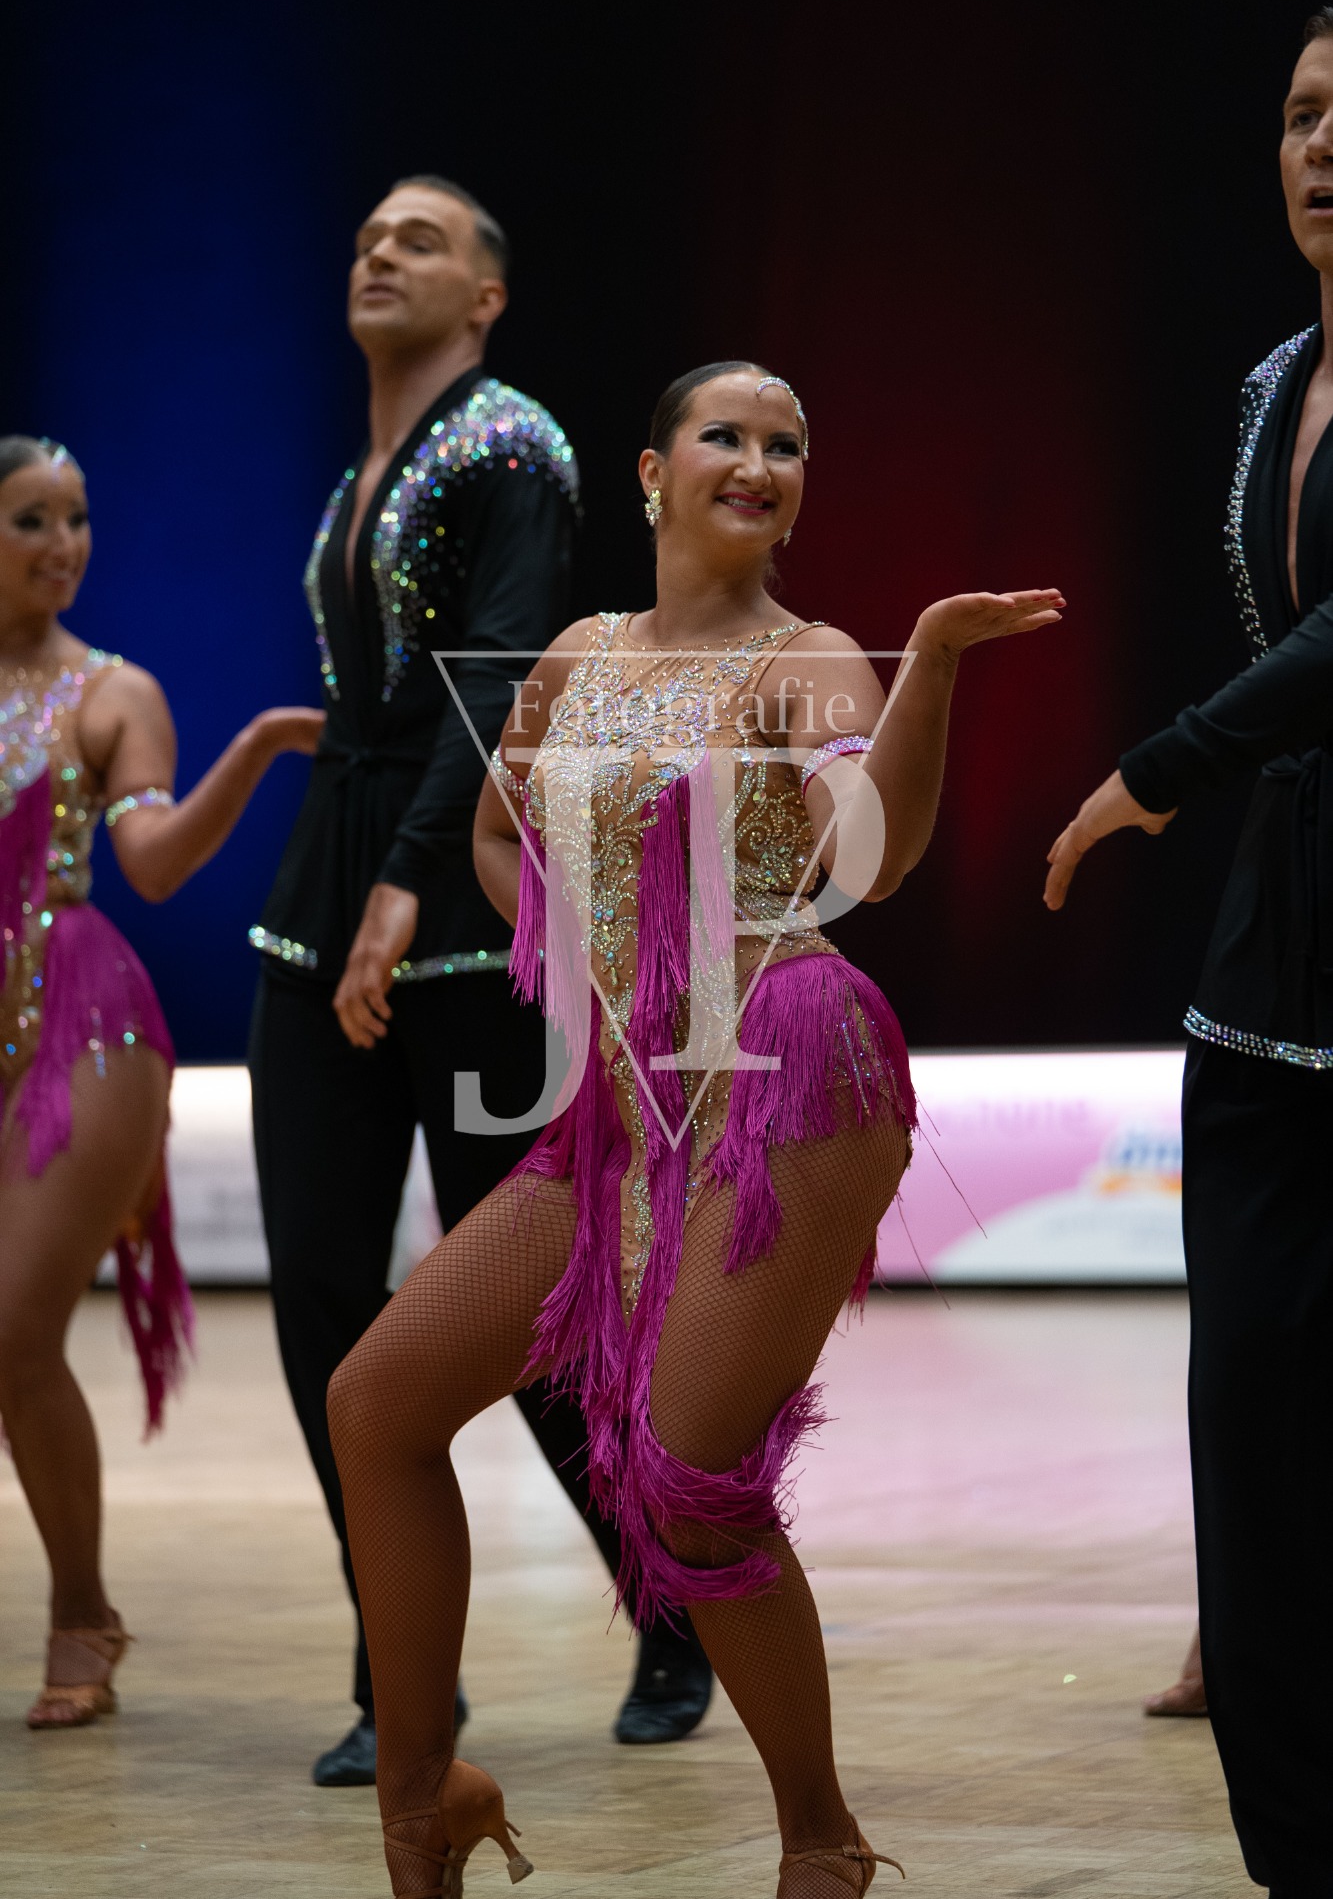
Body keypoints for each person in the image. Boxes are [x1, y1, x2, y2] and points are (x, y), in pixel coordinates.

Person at [328, 361, 1065, 1897]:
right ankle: (421, 1799)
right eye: (723, 435)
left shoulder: (811, 663)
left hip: (790, 1067)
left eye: (786, 443)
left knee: (680, 1474)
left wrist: (928, 662)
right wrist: (575, 924)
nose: (758, 460)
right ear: (653, 475)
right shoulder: (578, 655)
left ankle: (819, 1836)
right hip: (620, 1098)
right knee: (378, 1403)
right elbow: (495, 832)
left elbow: (871, 854)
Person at [248, 174, 713, 1790]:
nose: (380, 251)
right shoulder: (360, 472)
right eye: (369, 235)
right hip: (327, 894)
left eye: (422, 239)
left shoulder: (510, 445)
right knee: (319, 1292)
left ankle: (672, 1592)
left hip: (457, 901)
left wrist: (406, 873)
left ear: (488, 296)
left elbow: (495, 674)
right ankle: (401, 1668)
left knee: (520, 1303)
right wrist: (358, 872)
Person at [1044, 8, 1333, 1898]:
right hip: (1267, 962)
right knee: (1245, 1406)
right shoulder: (1268, 382)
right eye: (1303, 114)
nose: (1324, 144)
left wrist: (1153, 769)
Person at [0, 434, 321, 1729]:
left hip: (80, 1018)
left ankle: (81, 1609)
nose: (64, 545)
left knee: (14, 1329)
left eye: (77, 519)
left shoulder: (113, 692)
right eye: (32, 520)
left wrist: (254, 747)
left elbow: (157, 863)